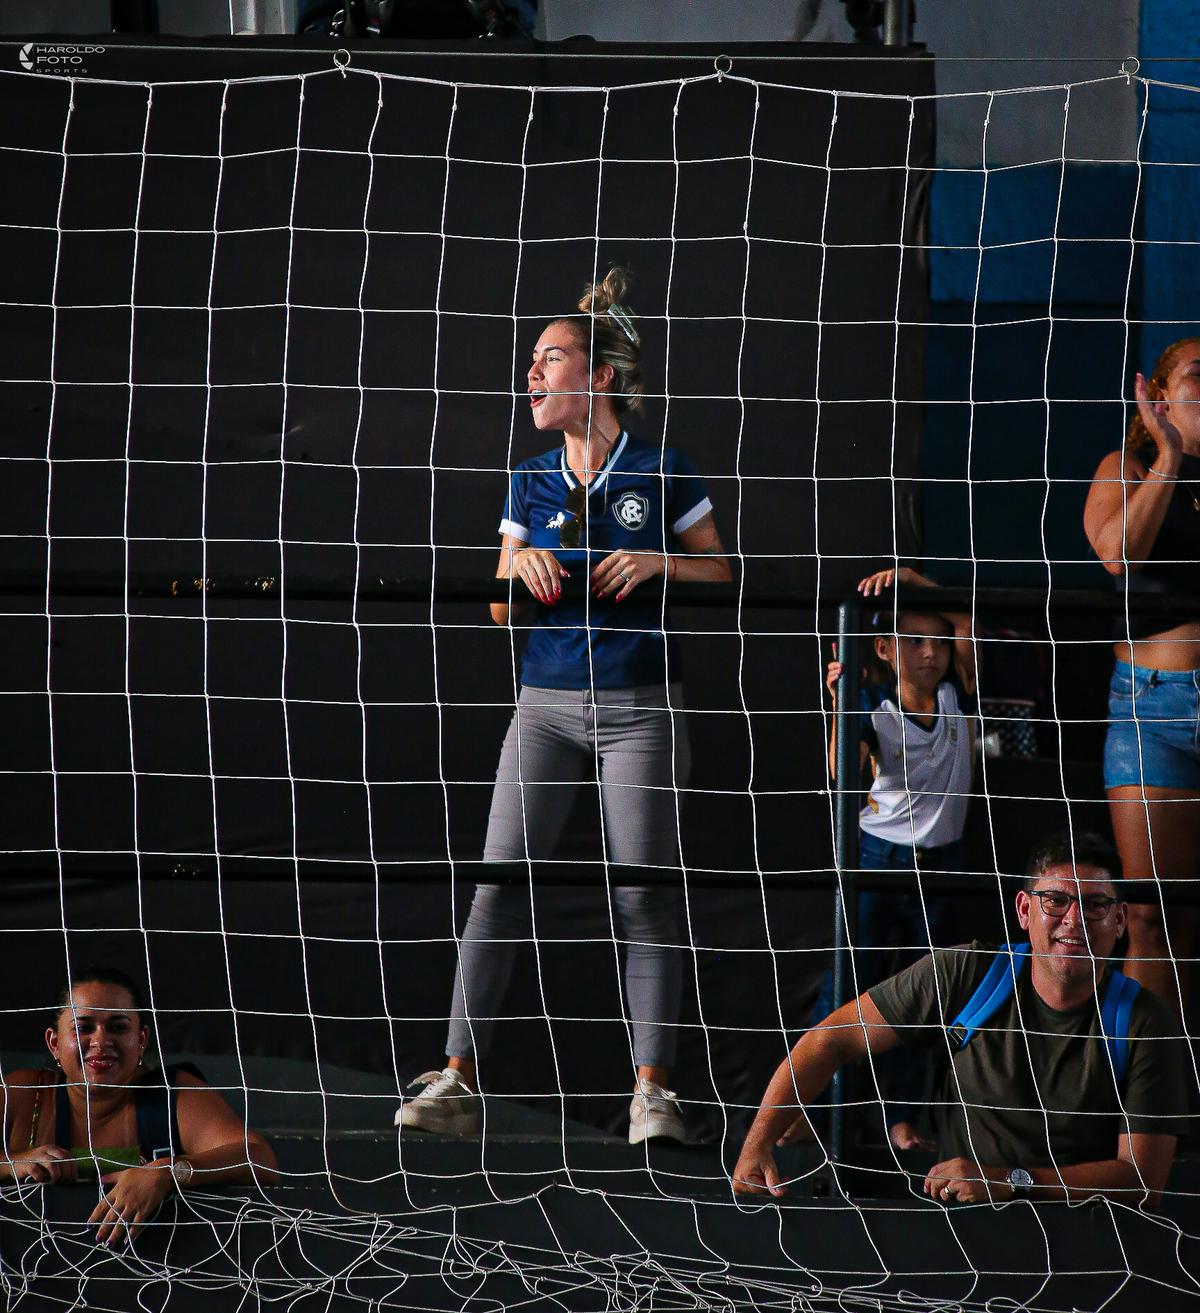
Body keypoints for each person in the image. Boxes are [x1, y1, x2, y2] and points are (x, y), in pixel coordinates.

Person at [398, 268, 731, 1145]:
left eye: (550, 358)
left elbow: (722, 573)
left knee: (642, 893)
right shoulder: (531, 478)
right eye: (533, 360)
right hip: (544, 705)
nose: (532, 373)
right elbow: (498, 605)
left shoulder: (662, 468)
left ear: (601, 376)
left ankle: (651, 1093)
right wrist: (522, 566)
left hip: (641, 707)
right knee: (497, 883)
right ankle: (455, 1079)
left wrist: (661, 563)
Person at [734, 833, 1188, 1207]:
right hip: (961, 1226)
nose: (1075, 920)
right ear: (1024, 910)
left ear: (1120, 920)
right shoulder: (967, 974)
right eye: (1055, 901)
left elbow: (1142, 1181)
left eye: (1095, 905)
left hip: (1088, 1235)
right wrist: (758, 1145)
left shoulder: (1146, 1022)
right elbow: (830, 1039)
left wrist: (1010, 1181)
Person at [809, 565, 976, 1152]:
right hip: (879, 860)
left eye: (938, 642)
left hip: (943, 865)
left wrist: (909, 578)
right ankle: (806, 1106)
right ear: (883, 648)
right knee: (848, 984)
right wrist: (839, 706)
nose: (930, 653)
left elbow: (963, 620)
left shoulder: (958, 693)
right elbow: (842, 776)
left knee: (928, 995)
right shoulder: (869, 702)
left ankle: (901, 1117)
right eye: (914, 640)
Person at [1084, 338, 1200, 1022]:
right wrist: (1171, 457)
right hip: (1153, 708)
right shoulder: (1126, 467)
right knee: (1154, 916)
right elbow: (1117, 553)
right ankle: (1150, 1078)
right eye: (1198, 373)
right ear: (1158, 396)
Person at [0, 965, 278, 1247]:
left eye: (118, 1028)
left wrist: (166, 1172)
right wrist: (10, 1163)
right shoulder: (25, 1094)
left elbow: (261, 1159)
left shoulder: (172, 1093)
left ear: (142, 1039)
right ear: (54, 1043)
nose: (101, 1041)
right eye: (84, 1028)